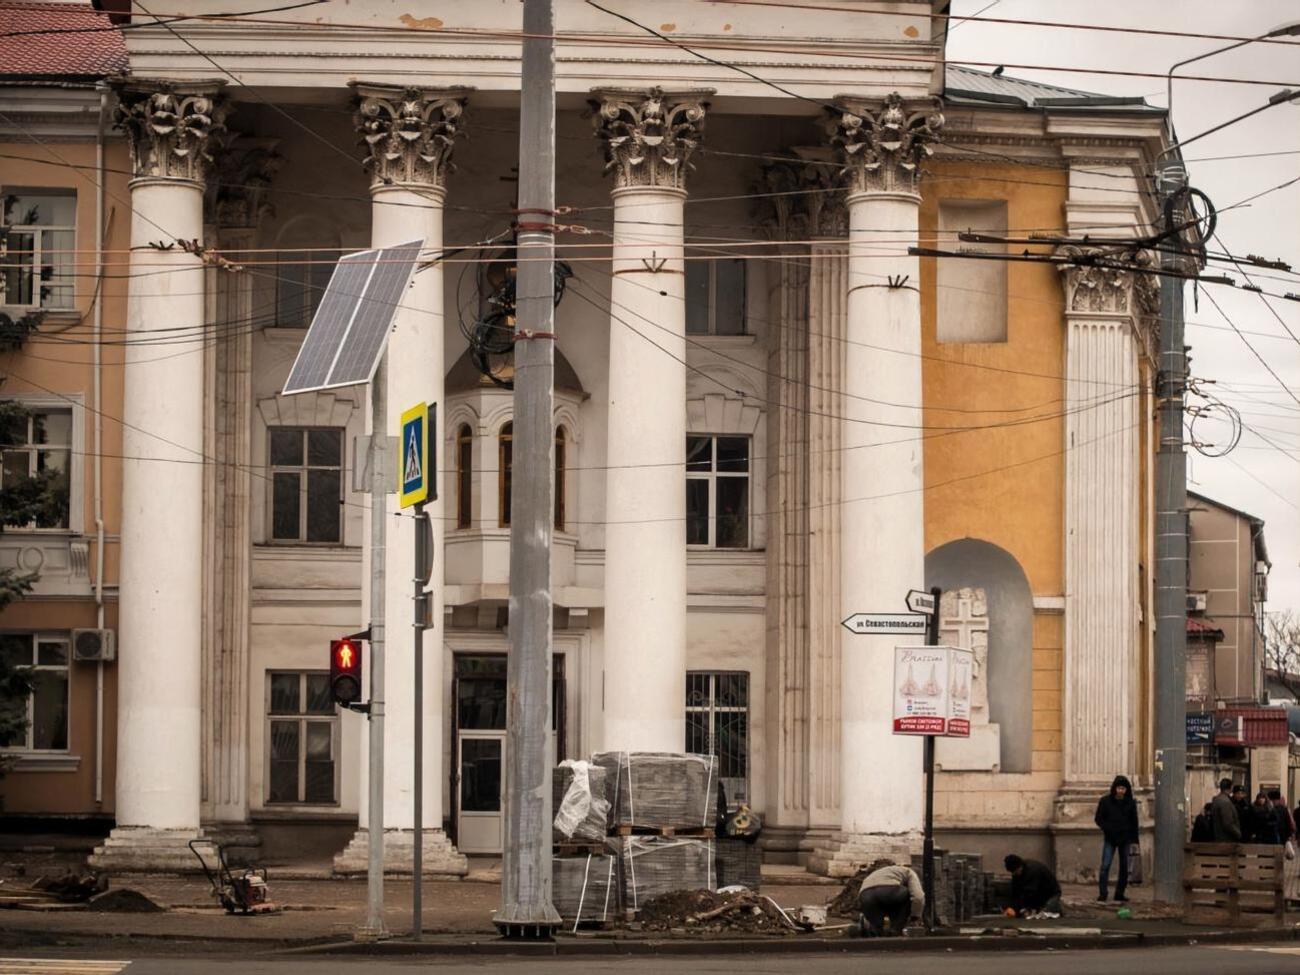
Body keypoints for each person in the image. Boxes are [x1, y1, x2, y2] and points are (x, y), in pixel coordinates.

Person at [1094, 774, 1139, 902]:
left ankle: (1119, 893)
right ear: (1114, 788)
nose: (1120, 791)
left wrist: (1135, 841)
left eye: (1123, 789)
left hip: (1125, 839)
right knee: (1105, 866)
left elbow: (1134, 822)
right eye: (1119, 788)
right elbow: (1098, 819)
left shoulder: (1130, 803)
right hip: (1110, 838)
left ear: (1126, 790)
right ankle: (1103, 893)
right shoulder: (1105, 801)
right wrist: (1107, 828)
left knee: (1124, 868)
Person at [856, 860, 924, 937]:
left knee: (876, 928)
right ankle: (895, 931)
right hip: (890, 892)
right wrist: (915, 917)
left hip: (866, 895)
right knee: (907, 895)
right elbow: (918, 897)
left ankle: (876, 936)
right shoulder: (910, 872)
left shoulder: (884, 871)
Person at [1211, 778, 1242, 842]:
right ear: (1231, 787)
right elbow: (1228, 823)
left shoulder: (1216, 799)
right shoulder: (1225, 802)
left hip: (1218, 836)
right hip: (1226, 839)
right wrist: (1238, 833)